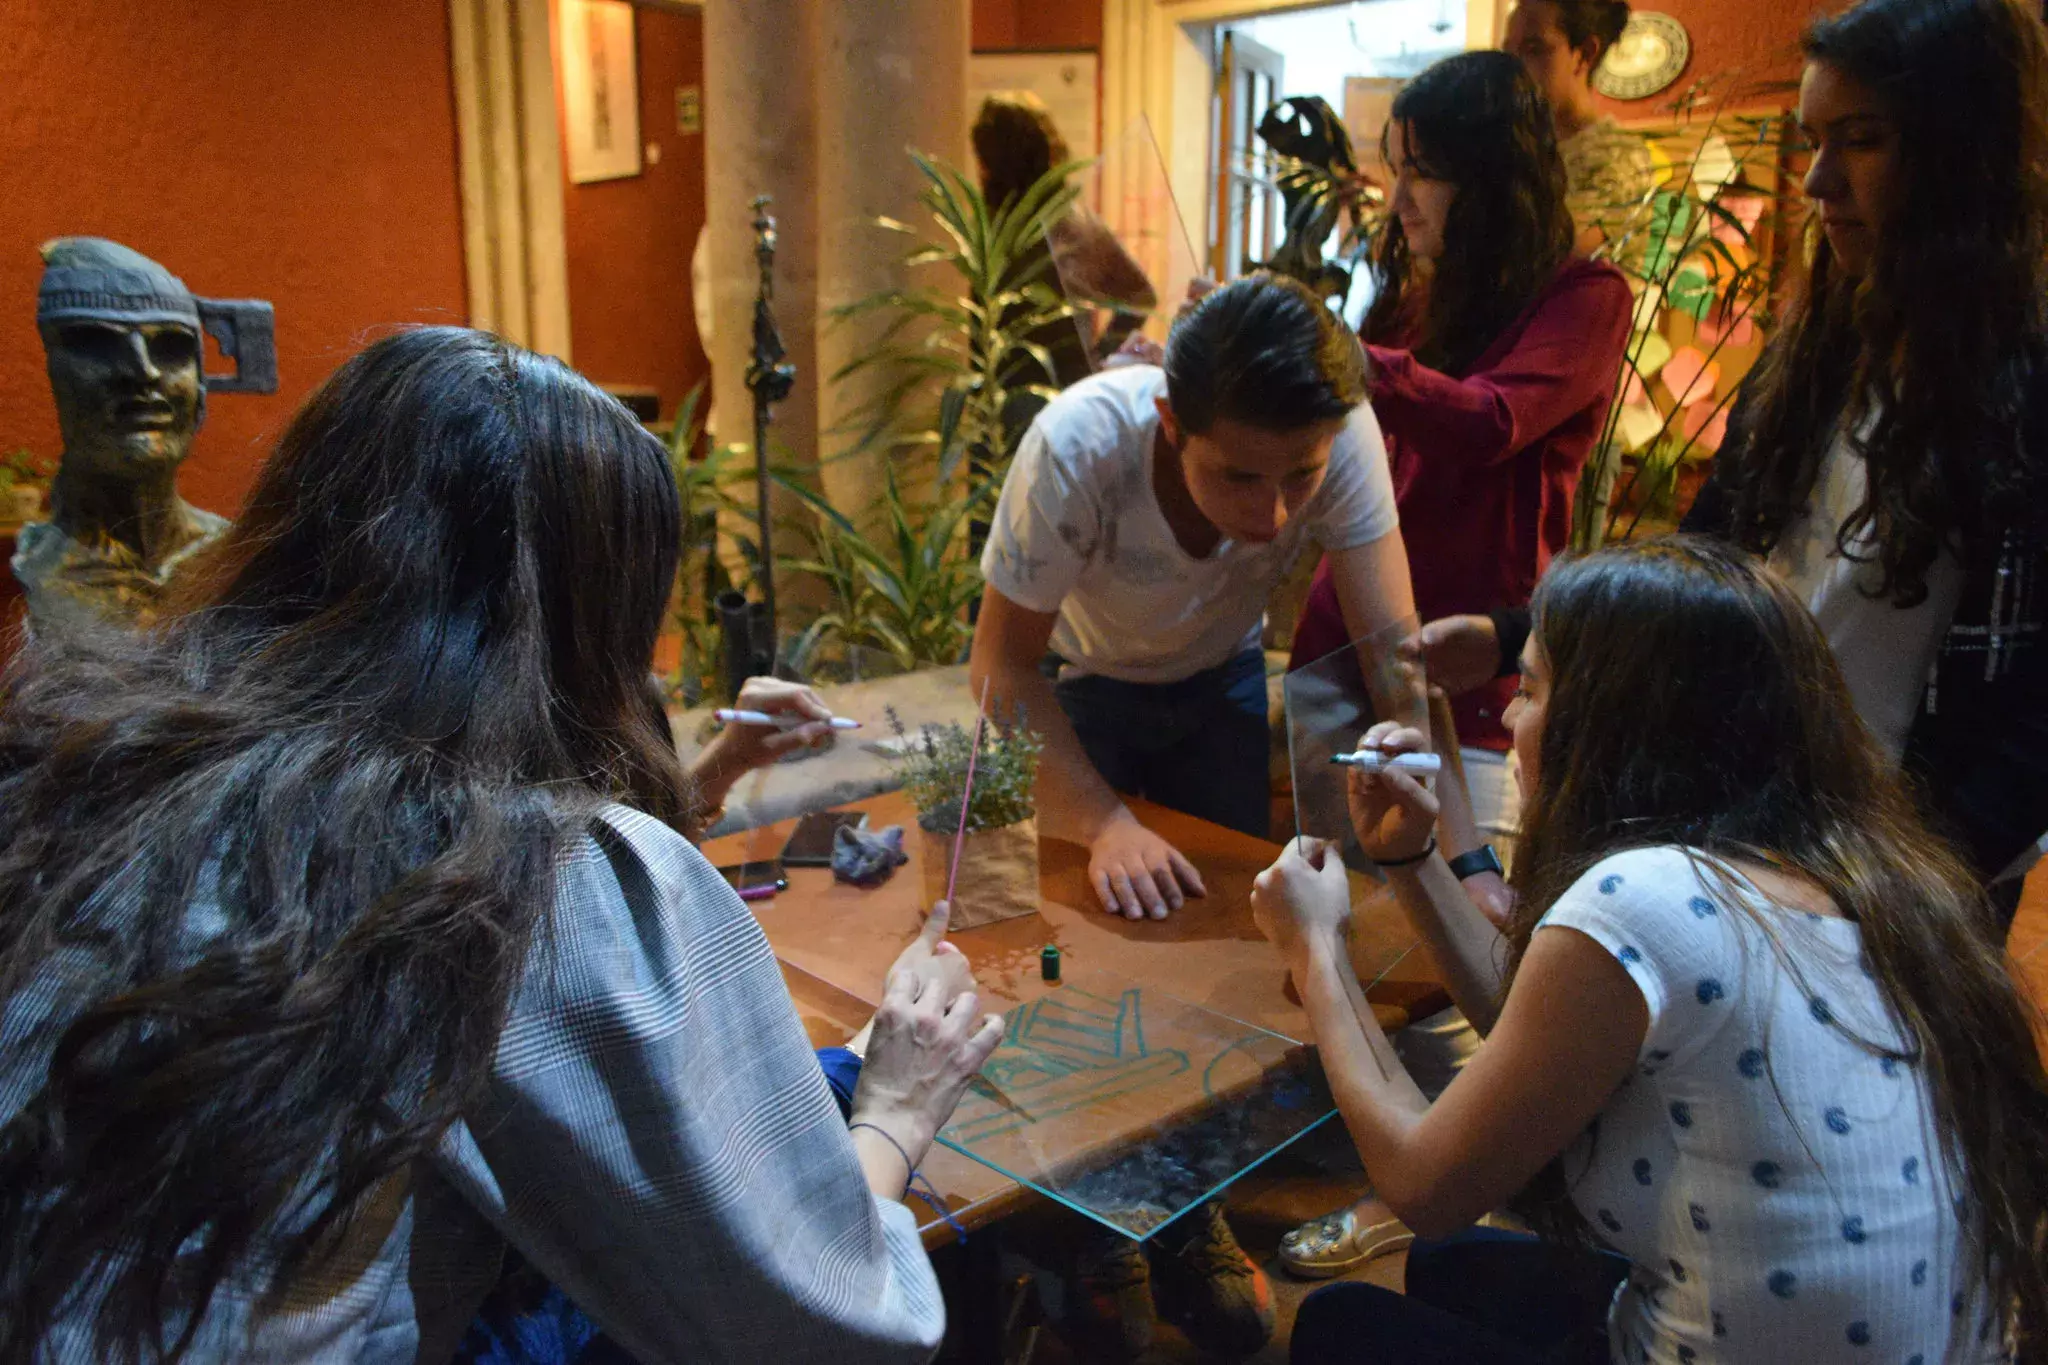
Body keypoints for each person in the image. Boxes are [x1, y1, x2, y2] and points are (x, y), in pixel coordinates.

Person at [0, 327, 1006, 1363]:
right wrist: (895, 1107)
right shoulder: (502, 876)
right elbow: (809, 1332)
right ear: (588, 616)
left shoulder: (90, 767)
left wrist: (707, 776)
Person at [1255, 537, 2048, 1364]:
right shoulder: (1855, 873)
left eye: (1528, 687)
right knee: (1452, 1266)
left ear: (1613, 722)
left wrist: (1317, 949)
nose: (1512, 717)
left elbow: (1425, 1184)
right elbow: (1540, 1029)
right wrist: (1413, 860)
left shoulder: (1643, 896)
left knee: (1340, 1322)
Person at [1420, 0, 2048, 930]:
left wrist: (1899, 894)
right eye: (1813, 140)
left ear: (1965, 155)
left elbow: (2031, 724)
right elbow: (1704, 559)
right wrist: (1519, 635)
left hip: (1895, 888)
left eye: (1863, 140)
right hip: (1746, 832)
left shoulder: (2025, 389)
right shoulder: (1823, 352)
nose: (1822, 181)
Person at [969, 274, 1416, 1359]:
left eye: (1296, 480)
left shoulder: (1339, 432)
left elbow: (1389, 646)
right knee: (1087, 962)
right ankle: (1095, 1223)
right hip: (1080, 690)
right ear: (1169, 421)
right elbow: (999, 669)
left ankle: (1187, 1205)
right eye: (1235, 475)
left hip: (1217, 683)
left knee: (1219, 955)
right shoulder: (1077, 444)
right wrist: (1102, 820)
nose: (1269, 516)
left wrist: (1409, 749)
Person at [1289, 51, 1631, 846]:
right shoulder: (1422, 292)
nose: (1398, 198)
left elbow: (1491, 421)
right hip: (1342, 639)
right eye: (1396, 170)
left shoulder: (1586, 296)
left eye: (1423, 174)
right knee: (1328, 885)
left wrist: (1352, 355)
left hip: (1467, 663)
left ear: (1490, 181)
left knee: (1452, 905)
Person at [1502, 0, 1658, 257]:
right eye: (1508, 52)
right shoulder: (1525, 145)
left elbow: (1540, 259)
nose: (1514, 69)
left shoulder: (1618, 155)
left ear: (1584, 54)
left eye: (1533, 49)